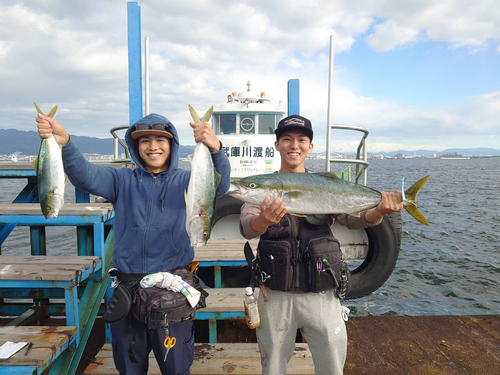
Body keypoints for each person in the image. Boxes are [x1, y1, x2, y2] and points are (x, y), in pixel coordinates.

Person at [36, 112, 231, 374]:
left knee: (176, 369)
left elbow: (219, 186)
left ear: (172, 145)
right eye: (144, 141)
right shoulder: (121, 180)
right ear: (135, 147)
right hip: (128, 290)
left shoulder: (187, 180)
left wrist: (215, 149)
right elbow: (86, 176)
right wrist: (66, 142)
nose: (153, 147)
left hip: (171, 292)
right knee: (129, 369)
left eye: (160, 140)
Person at [239, 114, 403, 375]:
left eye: (301, 140)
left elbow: (353, 220)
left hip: (321, 293)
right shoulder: (264, 188)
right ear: (277, 145)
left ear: (310, 147)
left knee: (332, 367)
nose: (294, 145)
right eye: (287, 139)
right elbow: (247, 227)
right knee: (272, 368)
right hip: (275, 296)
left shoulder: (323, 184)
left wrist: (379, 211)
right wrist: (263, 219)